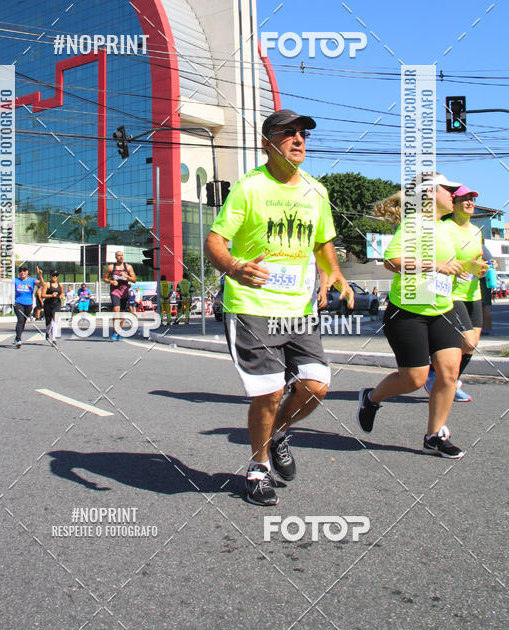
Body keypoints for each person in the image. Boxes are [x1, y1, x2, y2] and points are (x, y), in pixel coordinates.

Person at [204, 108, 353, 506]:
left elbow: (323, 241)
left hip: (300, 309)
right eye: (288, 133)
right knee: (268, 394)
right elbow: (215, 240)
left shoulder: (316, 191)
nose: (299, 139)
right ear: (267, 143)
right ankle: (257, 468)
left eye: (303, 133)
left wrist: (334, 273)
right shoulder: (250, 188)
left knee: (316, 386)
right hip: (253, 307)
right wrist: (234, 266)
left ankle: (278, 434)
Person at [357, 174, 482, 459]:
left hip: (442, 310)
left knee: (449, 373)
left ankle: (434, 436)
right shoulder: (414, 224)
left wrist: (467, 265)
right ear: (428, 194)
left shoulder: (444, 227)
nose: (453, 194)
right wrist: (434, 265)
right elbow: (391, 261)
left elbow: (447, 264)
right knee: (414, 379)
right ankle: (371, 398)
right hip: (408, 312)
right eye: (447, 189)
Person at [425, 185, 488, 401]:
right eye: (465, 199)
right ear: (454, 204)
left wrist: (485, 264)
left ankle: (448, 381)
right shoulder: (444, 228)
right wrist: (465, 265)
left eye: (472, 198)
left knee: (472, 345)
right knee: (467, 341)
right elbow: (441, 259)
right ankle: (438, 376)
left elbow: (477, 258)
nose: (470, 202)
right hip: (451, 292)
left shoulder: (476, 231)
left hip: (473, 292)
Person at [103, 251, 136, 340]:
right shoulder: (111, 267)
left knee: (121, 313)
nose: (121, 257)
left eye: (122, 255)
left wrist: (126, 276)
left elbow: (134, 280)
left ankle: (120, 331)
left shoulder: (128, 267)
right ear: (116, 257)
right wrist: (111, 281)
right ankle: (115, 331)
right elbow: (104, 278)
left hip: (124, 291)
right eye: (119, 256)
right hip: (115, 291)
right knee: (116, 310)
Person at [13, 264, 43, 348]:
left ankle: (17, 337)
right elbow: (4, 280)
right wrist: (1, 271)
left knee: (23, 322)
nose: (22, 272)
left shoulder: (32, 280)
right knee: (20, 320)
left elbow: (41, 284)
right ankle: (19, 339)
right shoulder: (16, 280)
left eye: (24, 271)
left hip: (28, 304)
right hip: (18, 303)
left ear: (27, 272)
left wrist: (40, 275)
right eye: (20, 271)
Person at [41, 269, 64, 345]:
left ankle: (54, 339)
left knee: (55, 319)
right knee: (48, 322)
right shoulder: (47, 284)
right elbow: (43, 295)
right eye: (53, 275)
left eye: (56, 275)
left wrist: (61, 296)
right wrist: (51, 295)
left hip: (57, 304)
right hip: (48, 304)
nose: (54, 277)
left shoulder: (60, 284)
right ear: (50, 276)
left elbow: (62, 292)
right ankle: (47, 332)